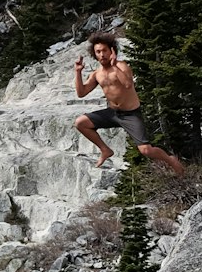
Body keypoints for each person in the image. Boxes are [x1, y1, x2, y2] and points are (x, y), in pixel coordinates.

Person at [74, 32, 184, 174]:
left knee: (146, 150)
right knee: (81, 123)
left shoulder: (122, 66)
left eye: (104, 51)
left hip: (131, 114)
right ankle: (105, 149)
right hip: (113, 113)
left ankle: (171, 160)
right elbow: (81, 93)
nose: (102, 55)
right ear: (94, 54)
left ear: (112, 50)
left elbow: (127, 84)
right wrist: (78, 72)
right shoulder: (97, 74)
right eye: (98, 52)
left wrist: (114, 66)